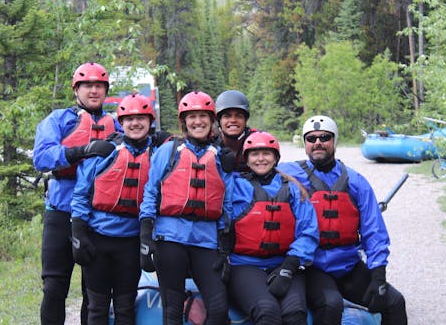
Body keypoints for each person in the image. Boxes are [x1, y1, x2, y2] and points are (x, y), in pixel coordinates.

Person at [278, 115, 408, 325]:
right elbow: (258, 165)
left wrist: (378, 275)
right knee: (331, 305)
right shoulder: (289, 172)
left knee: (394, 302)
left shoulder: (356, 181)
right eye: (311, 139)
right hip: (313, 267)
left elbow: (374, 231)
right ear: (305, 144)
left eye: (324, 137)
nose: (318, 142)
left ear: (334, 141)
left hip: (348, 265)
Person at [33, 62, 122, 324]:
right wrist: (80, 151)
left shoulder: (116, 124)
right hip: (60, 212)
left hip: (97, 217)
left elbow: (141, 146)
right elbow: (41, 158)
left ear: (105, 91)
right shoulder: (59, 119)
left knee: (94, 292)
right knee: (54, 287)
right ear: (76, 90)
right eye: (88, 86)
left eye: (99, 86)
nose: (94, 91)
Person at [70, 93, 171, 324]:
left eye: (141, 118)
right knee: (97, 307)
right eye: (129, 119)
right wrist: (78, 233)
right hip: (98, 240)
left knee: (125, 308)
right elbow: (81, 194)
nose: (135, 124)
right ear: (121, 122)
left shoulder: (159, 154)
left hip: (131, 242)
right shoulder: (106, 151)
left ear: (150, 121)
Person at [139, 90, 233, 325]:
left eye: (203, 116)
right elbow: (151, 191)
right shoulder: (168, 151)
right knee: (172, 309)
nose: (197, 121)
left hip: (206, 240)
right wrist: (146, 232)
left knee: (219, 308)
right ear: (184, 122)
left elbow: (226, 200)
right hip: (170, 238)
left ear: (211, 121)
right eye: (192, 117)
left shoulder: (220, 157)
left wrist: (224, 242)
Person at [228, 131, 319, 325]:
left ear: (276, 158)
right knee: (266, 310)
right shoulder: (235, 187)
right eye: (255, 154)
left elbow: (308, 231)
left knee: (295, 312)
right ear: (246, 159)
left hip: (285, 263)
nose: (261, 159)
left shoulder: (293, 189)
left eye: (267, 153)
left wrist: (289, 266)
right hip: (244, 265)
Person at [215, 90, 257, 172]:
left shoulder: (256, 139)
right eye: (227, 116)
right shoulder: (211, 143)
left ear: (245, 120)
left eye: (239, 116)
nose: (233, 120)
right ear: (219, 121)